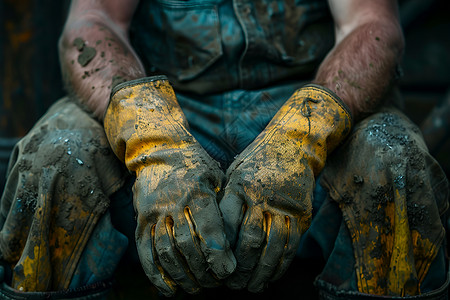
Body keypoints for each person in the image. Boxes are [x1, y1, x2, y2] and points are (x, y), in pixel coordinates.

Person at [0, 0, 448, 299]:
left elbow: (371, 26)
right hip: (165, 97)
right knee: (55, 161)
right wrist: (154, 140)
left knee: (394, 164)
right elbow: (93, 21)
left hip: (307, 94)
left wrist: (298, 138)